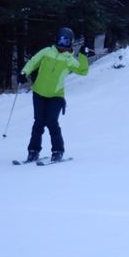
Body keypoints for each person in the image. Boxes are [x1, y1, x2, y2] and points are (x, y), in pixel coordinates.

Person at [18, 27, 90, 162]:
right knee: (38, 123)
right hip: (39, 93)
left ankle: (58, 150)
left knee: (51, 122)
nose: (63, 43)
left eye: (66, 41)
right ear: (57, 39)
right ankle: (33, 151)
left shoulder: (69, 60)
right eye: (61, 40)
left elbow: (83, 71)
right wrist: (24, 73)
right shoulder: (46, 52)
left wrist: (83, 55)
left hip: (56, 96)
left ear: (70, 43)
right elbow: (33, 61)